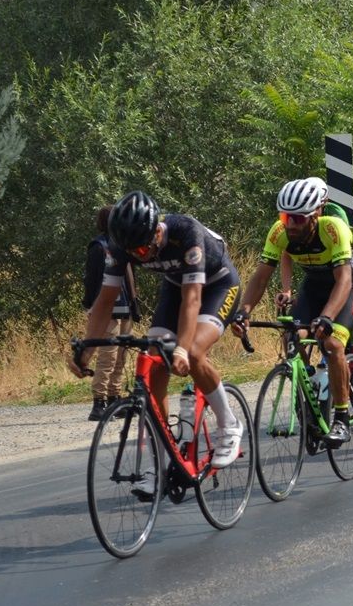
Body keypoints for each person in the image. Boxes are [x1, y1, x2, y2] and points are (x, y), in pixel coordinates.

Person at [68, 190, 244, 474]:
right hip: (175, 287)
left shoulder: (186, 232)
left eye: (143, 249)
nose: (140, 255)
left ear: (157, 233)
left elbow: (193, 300)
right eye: (133, 252)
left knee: (196, 352)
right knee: (154, 361)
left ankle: (229, 424)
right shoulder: (120, 245)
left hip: (217, 285)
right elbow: (105, 300)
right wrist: (87, 350)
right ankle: (162, 459)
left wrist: (183, 349)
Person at [233, 177, 353, 446]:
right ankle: (309, 387)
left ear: (316, 213)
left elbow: (343, 280)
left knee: (332, 343)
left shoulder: (334, 228)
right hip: (313, 286)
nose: (290, 224)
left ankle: (341, 418)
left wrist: (327, 317)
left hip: (347, 285)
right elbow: (260, 278)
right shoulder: (279, 232)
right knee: (292, 334)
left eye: (298, 218)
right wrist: (244, 311)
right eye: (285, 217)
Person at [82, 205, 139, 420]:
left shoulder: (124, 245)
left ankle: (115, 397)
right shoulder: (98, 247)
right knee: (107, 356)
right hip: (108, 311)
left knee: (121, 357)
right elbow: (92, 279)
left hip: (125, 308)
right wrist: (90, 306)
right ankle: (99, 402)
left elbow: (131, 277)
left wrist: (135, 305)